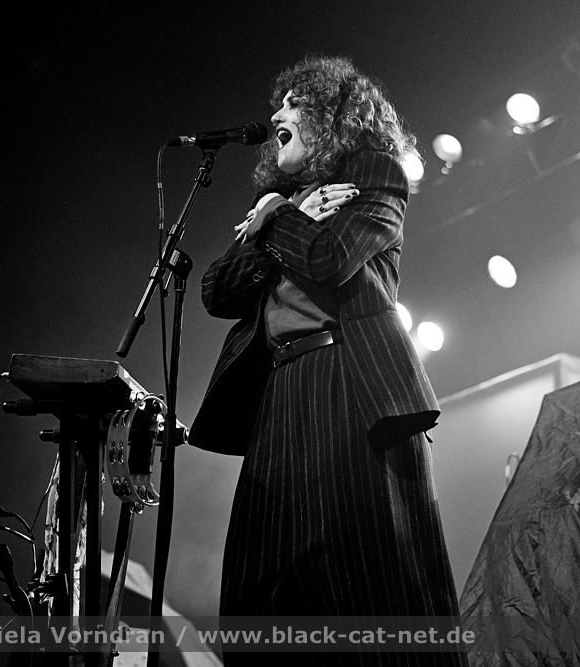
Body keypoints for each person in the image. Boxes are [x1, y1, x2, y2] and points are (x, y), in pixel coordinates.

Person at [190, 55, 466, 665]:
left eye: (296, 101)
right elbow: (217, 291)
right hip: (278, 394)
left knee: (365, 578)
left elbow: (332, 259)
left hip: (347, 382)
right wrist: (281, 214)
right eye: (279, 101)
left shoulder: (375, 173)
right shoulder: (284, 201)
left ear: (335, 115)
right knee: (257, 587)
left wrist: (276, 218)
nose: (278, 111)